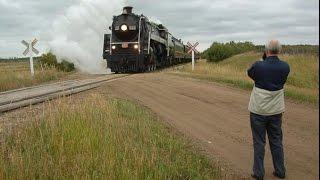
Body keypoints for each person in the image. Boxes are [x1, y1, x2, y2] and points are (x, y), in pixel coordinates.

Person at [247, 40, 290, 180]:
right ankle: (280, 171)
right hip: (276, 111)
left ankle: (258, 173)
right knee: (276, 141)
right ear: (279, 51)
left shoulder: (259, 65)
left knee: (259, 142)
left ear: (266, 51)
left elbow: (250, 73)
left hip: (258, 110)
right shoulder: (285, 67)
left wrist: (262, 59)